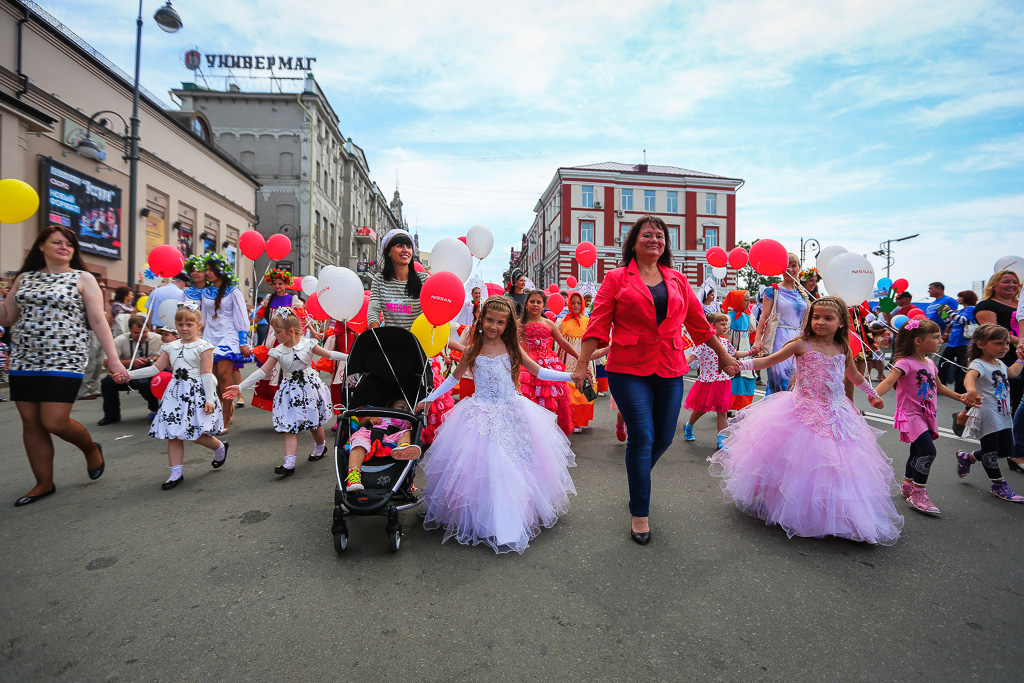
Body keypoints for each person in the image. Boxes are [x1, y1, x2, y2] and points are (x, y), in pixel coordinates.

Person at [573, 215, 735, 545]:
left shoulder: (676, 279)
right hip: (628, 368)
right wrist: (581, 364)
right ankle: (640, 513)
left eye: (660, 236)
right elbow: (597, 326)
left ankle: (638, 476)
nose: (654, 240)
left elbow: (699, 324)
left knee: (663, 438)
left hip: (671, 367)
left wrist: (723, 354)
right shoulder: (617, 279)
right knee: (642, 436)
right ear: (634, 242)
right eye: (647, 235)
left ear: (665, 244)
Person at [708, 297, 903, 545]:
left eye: (828, 318)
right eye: (816, 317)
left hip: (836, 412)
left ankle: (841, 514)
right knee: (799, 464)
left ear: (842, 322)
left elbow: (853, 375)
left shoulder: (843, 348)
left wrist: (873, 395)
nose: (820, 322)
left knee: (839, 465)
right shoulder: (801, 344)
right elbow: (768, 361)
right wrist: (738, 364)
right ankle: (794, 509)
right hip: (802, 409)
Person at [415, 295, 577, 554]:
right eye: (490, 320)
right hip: (479, 413)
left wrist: (572, 376)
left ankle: (512, 518)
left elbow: (539, 371)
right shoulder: (472, 350)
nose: (494, 326)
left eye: (501, 322)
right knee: (484, 465)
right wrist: (428, 398)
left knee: (515, 463)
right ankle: (486, 519)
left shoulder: (512, 349)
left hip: (512, 410)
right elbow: (452, 380)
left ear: (508, 325)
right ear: (481, 320)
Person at [0, 226, 129, 506]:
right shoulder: (24, 278)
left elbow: (97, 321)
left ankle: (91, 448)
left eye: (69, 243)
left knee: (54, 421)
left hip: (64, 357)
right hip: (24, 358)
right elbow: (8, 317)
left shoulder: (82, 278)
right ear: (41, 246)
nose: (64, 247)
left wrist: (114, 359)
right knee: (31, 422)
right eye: (56, 242)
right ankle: (43, 483)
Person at [117, 303, 228, 489]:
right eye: (180, 324)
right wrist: (129, 374)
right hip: (175, 394)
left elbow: (207, 373)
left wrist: (210, 399)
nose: (184, 328)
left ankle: (220, 447)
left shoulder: (204, 347)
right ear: (175, 325)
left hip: (196, 392)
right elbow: (155, 368)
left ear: (199, 325)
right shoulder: (170, 347)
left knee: (195, 434)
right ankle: (175, 473)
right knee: (173, 433)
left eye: (189, 324)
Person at [224, 308, 345, 477]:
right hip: (290, 391)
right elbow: (262, 371)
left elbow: (330, 354)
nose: (275, 335)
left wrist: (349, 356)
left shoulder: (308, 344)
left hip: (309, 388)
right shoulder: (277, 351)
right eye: (274, 331)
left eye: (278, 332)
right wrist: (241, 386)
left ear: (290, 331)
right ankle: (289, 462)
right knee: (290, 426)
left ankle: (320, 446)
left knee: (314, 424)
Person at [367, 229, 459, 443]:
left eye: (408, 246)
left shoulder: (423, 279)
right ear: (389, 252)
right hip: (392, 347)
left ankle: (425, 439)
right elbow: (373, 309)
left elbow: (434, 314)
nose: (405, 249)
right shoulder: (380, 280)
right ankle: (398, 437)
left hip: (420, 348)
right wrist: (376, 333)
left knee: (424, 397)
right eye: (399, 245)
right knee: (394, 395)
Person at [874, 319, 971, 515]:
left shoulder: (929, 363)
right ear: (918, 341)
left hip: (927, 413)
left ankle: (908, 485)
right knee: (928, 451)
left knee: (916, 450)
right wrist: (875, 395)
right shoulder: (905, 363)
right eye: (935, 337)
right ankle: (919, 493)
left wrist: (961, 397)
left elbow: (940, 387)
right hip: (911, 414)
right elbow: (888, 381)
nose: (940, 339)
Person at [954, 324, 1024, 502]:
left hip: (1003, 413)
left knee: (1005, 450)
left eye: (1007, 343)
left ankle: (967, 457)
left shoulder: (998, 362)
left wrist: (1021, 360)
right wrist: (970, 391)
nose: (1005, 347)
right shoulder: (978, 364)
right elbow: (969, 377)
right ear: (981, 344)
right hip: (987, 414)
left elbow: (1012, 373)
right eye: (999, 343)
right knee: (991, 451)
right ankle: (998, 484)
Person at [973, 270, 1023, 469]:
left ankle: (1008, 448)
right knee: (1011, 403)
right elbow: (992, 332)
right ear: (994, 284)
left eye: (1015, 282)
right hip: (1003, 360)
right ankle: (1012, 451)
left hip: (1021, 358)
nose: (1012, 285)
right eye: (1006, 282)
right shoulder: (987, 305)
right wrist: (1022, 343)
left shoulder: (1021, 305)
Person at [196, 253, 251, 432]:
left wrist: (243, 342)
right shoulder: (205, 292)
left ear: (220, 271)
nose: (208, 273)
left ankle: (225, 420)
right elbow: (203, 317)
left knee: (224, 375)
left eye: (211, 270)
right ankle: (223, 410)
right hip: (210, 337)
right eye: (207, 270)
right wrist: (198, 338)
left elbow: (241, 317)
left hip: (229, 336)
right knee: (211, 379)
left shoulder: (233, 291)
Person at [683, 312, 747, 449]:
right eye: (722, 324)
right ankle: (689, 426)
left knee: (723, 411)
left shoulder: (725, 342)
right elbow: (691, 357)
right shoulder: (703, 344)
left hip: (723, 381)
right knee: (701, 409)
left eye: (726, 324)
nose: (725, 327)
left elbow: (735, 354)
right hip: (707, 382)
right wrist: (680, 363)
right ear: (711, 326)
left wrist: (750, 352)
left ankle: (721, 440)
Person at [520, 289, 578, 435]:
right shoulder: (518, 324)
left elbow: (563, 344)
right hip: (525, 365)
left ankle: (548, 434)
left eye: (539, 302)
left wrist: (579, 357)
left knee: (550, 399)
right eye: (532, 301)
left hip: (548, 365)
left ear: (543, 305)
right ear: (526, 304)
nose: (535, 305)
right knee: (527, 400)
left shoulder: (550, 324)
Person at [751, 253, 810, 394]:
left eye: (794, 265)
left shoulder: (803, 293)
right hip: (778, 339)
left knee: (796, 382)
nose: (790, 269)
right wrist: (758, 340)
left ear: (799, 268)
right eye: (786, 266)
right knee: (780, 380)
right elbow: (764, 317)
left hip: (798, 339)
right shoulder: (772, 290)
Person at [251, 269, 304, 412]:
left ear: (286, 283)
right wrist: (244, 322)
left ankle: (291, 404)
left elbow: (301, 318)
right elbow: (258, 317)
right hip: (272, 338)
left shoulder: (292, 299)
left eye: (280, 283)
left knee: (288, 370)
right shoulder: (270, 299)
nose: (277, 286)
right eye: (274, 284)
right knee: (272, 371)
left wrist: (312, 331)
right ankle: (278, 406)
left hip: (287, 337)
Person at [342, 397, 420, 492]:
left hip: (391, 438)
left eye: (408, 408)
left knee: (407, 433)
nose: (405, 409)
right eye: (401, 407)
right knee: (359, 441)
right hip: (369, 434)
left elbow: (411, 425)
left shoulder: (405, 420)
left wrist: (411, 416)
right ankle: (353, 476)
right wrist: (370, 417)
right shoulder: (379, 414)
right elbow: (361, 424)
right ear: (390, 407)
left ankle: (403, 448)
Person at [97, 316, 162, 425]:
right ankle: (111, 415)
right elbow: (106, 362)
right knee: (107, 382)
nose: (141, 336)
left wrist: (152, 359)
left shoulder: (158, 338)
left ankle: (156, 410)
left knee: (152, 382)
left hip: (150, 373)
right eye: (137, 333)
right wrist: (131, 362)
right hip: (127, 373)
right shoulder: (120, 340)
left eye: (145, 332)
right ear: (129, 331)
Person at [559, 292, 603, 432]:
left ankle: (580, 420)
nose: (576, 305)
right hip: (568, 361)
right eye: (573, 303)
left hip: (585, 359)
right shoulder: (562, 322)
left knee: (585, 389)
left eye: (579, 303)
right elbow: (559, 346)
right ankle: (570, 421)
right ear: (569, 304)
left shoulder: (588, 321)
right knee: (569, 389)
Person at [722, 289, 755, 412]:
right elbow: (723, 334)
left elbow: (752, 328)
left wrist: (749, 314)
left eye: (748, 300)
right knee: (733, 379)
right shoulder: (728, 317)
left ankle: (742, 406)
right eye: (745, 300)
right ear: (737, 301)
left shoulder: (747, 316)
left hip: (745, 352)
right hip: (733, 352)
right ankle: (727, 406)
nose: (748, 303)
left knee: (746, 378)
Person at [942, 290, 978, 392]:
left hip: (964, 342)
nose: (958, 299)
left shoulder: (972, 309)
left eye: (960, 297)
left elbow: (963, 321)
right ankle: (941, 386)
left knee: (961, 367)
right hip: (953, 342)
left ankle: (960, 389)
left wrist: (949, 311)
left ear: (966, 298)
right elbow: (951, 324)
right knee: (943, 363)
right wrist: (944, 316)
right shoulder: (961, 311)